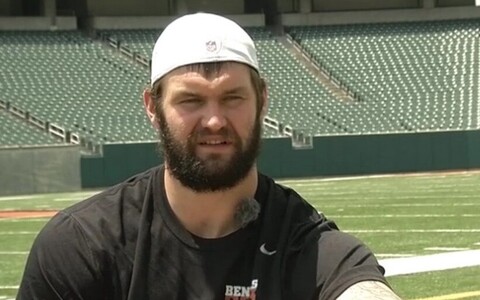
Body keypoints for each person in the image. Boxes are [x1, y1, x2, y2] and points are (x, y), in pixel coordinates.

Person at [18, 13, 402, 300]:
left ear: (262, 100)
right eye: (191, 100)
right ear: (153, 106)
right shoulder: (83, 246)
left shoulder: (309, 247)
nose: (215, 120)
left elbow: (356, 286)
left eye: (232, 98)